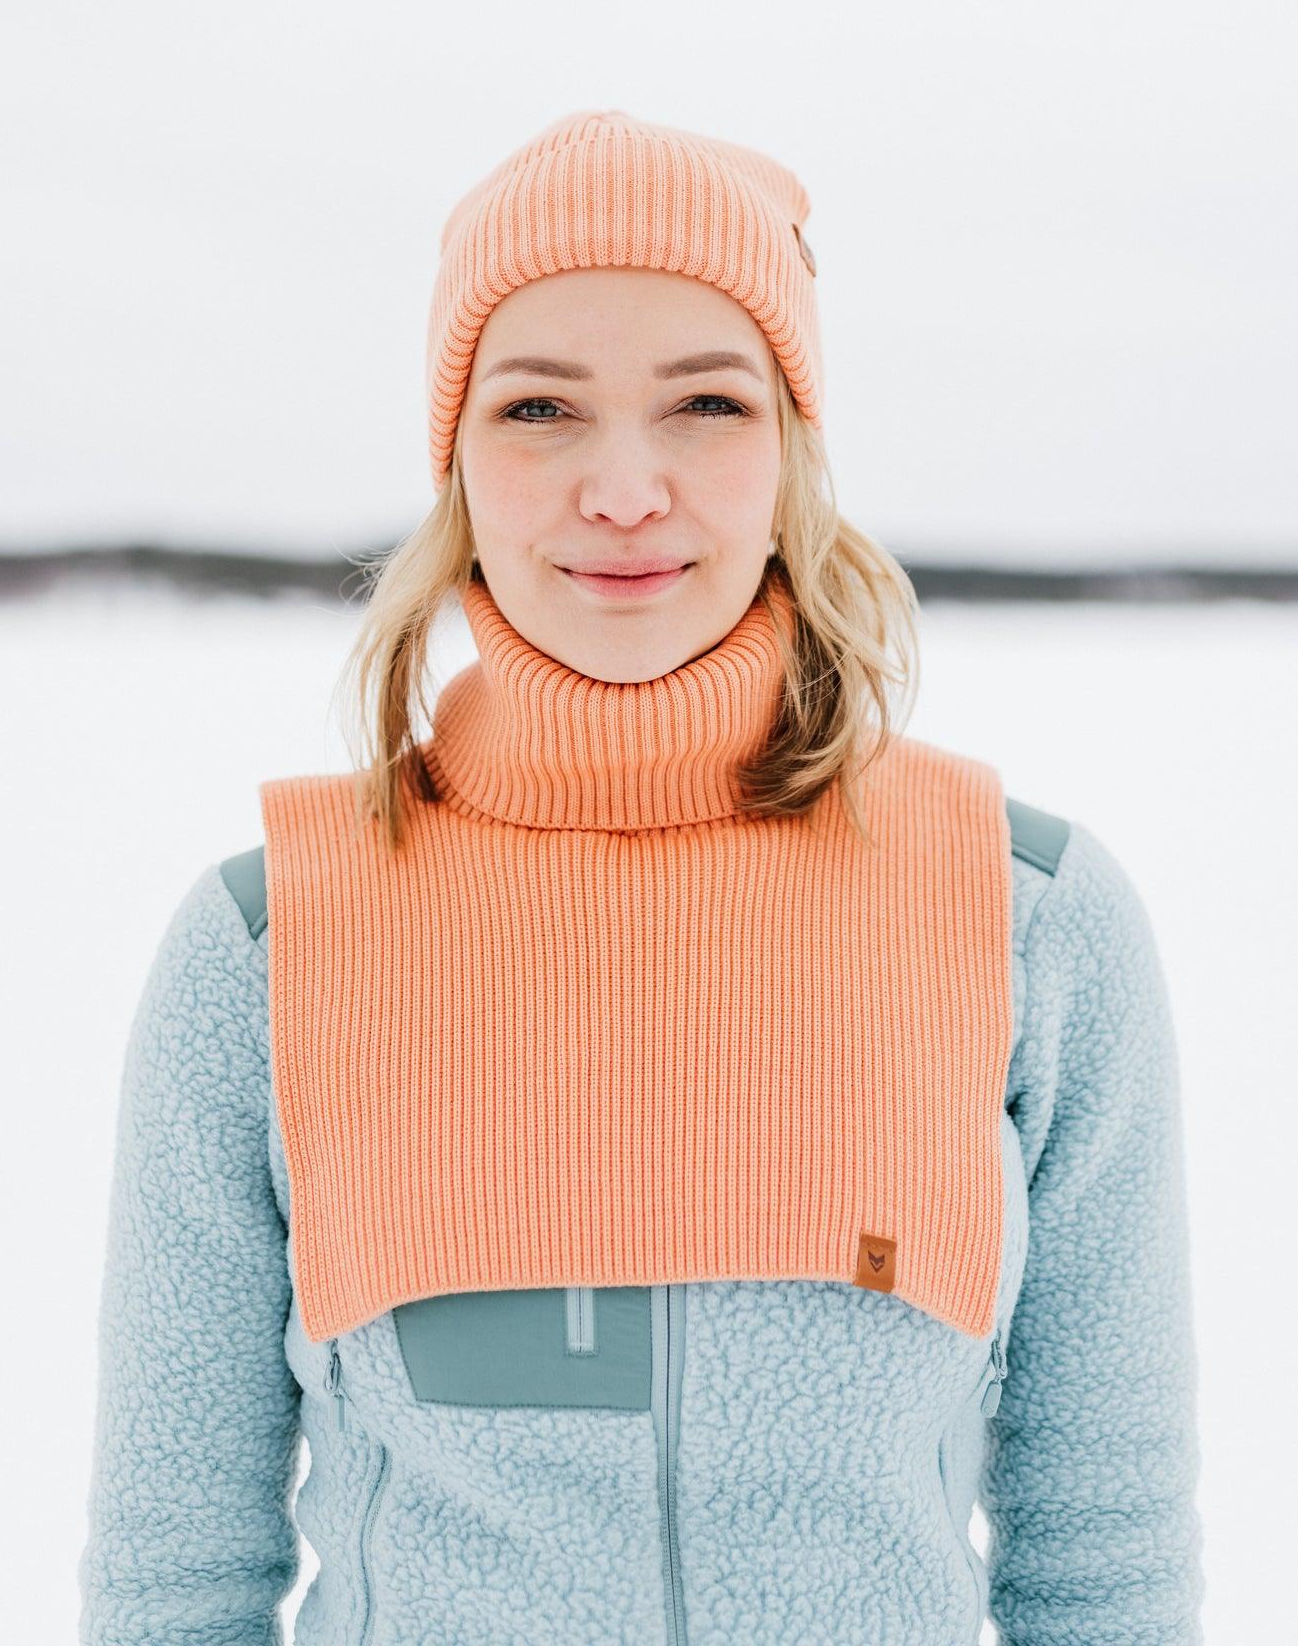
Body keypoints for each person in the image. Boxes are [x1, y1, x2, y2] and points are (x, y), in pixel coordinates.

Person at [78, 108, 1205, 1645]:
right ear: (456, 457)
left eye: (706, 406)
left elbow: (1101, 1564)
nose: (620, 489)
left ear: (791, 452)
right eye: (539, 409)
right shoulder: (269, 940)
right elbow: (174, 1578)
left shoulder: (1024, 920)